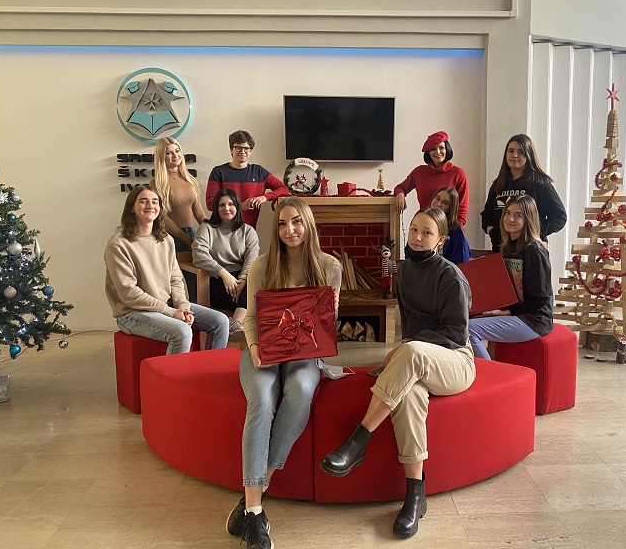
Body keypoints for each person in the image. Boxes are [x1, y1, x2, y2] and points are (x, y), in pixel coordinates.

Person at [319, 207, 475, 539]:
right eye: (414, 229)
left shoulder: (451, 277)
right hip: (418, 359)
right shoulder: (403, 271)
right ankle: (415, 496)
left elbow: (456, 333)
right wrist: (406, 348)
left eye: (427, 232)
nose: (417, 237)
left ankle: (359, 439)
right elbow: (410, 326)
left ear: (441, 240)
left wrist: (408, 348)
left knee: (412, 352)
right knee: (410, 396)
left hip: (455, 361)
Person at [225, 197, 342, 549]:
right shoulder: (262, 265)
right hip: (262, 351)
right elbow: (250, 318)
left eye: (296, 222)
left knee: (302, 390)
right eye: (282, 224)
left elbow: (326, 326)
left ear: (308, 225)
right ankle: (256, 512)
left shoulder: (330, 267)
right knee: (261, 400)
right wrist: (255, 348)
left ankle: (256, 494)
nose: (289, 230)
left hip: (305, 356)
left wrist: (329, 317)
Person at [105, 186, 229, 354]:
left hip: (167, 305)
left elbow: (175, 279)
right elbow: (129, 293)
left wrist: (182, 305)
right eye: (143, 201)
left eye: (155, 202)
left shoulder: (166, 240)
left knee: (220, 321)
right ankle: (176, 373)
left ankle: (211, 368)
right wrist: (170, 312)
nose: (150, 206)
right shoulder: (118, 244)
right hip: (132, 313)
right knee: (182, 332)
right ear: (131, 208)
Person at [469, 195, 553, 360]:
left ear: (528, 219)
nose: (510, 218)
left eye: (518, 215)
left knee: (469, 330)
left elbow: (541, 300)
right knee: (461, 321)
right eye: (507, 213)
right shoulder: (507, 248)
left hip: (534, 320)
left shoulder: (535, 250)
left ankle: (492, 373)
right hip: (516, 313)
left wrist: (505, 312)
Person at [191, 188, 260, 338]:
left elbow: (252, 258)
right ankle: (238, 325)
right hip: (217, 282)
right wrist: (224, 274)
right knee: (254, 295)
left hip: (242, 282)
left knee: (257, 280)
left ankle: (236, 323)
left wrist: (242, 279)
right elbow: (198, 255)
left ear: (237, 206)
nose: (226, 208)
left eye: (231, 204)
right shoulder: (206, 228)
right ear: (216, 208)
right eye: (221, 205)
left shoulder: (248, 231)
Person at [480, 133, 566, 251]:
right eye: (510, 151)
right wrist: (492, 232)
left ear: (529, 155)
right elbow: (486, 215)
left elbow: (559, 217)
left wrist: (533, 232)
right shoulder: (498, 184)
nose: (514, 155)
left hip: (530, 250)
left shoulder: (540, 184)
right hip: (501, 249)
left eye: (520, 152)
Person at [205, 130, 289, 229]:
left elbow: (283, 189)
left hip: (249, 231)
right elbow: (210, 204)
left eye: (246, 148)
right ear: (231, 150)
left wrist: (264, 197)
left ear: (250, 151)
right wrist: (240, 206)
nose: (242, 151)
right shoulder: (218, 172)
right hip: (222, 230)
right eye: (238, 148)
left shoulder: (259, 172)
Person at [394, 131, 470, 226]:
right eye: (433, 149)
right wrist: (400, 194)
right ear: (428, 153)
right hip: (424, 224)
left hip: (448, 227)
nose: (438, 152)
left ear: (447, 149)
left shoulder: (458, 173)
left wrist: (455, 229)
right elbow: (400, 188)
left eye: (441, 148)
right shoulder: (419, 172)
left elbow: (462, 207)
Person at [149, 136, 207, 252]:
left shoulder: (191, 180)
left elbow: (199, 213)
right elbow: (162, 217)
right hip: (169, 236)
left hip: (191, 233)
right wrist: (186, 239)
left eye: (177, 151)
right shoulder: (157, 183)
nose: (175, 155)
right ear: (161, 157)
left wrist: (213, 231)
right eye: (168, 153)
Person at [431, 186, 470, 265]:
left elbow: (461, 263)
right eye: (437, 198)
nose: (438, 204)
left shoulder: (455, 230)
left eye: (445, 203)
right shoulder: (421, 222)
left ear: (450, 208)